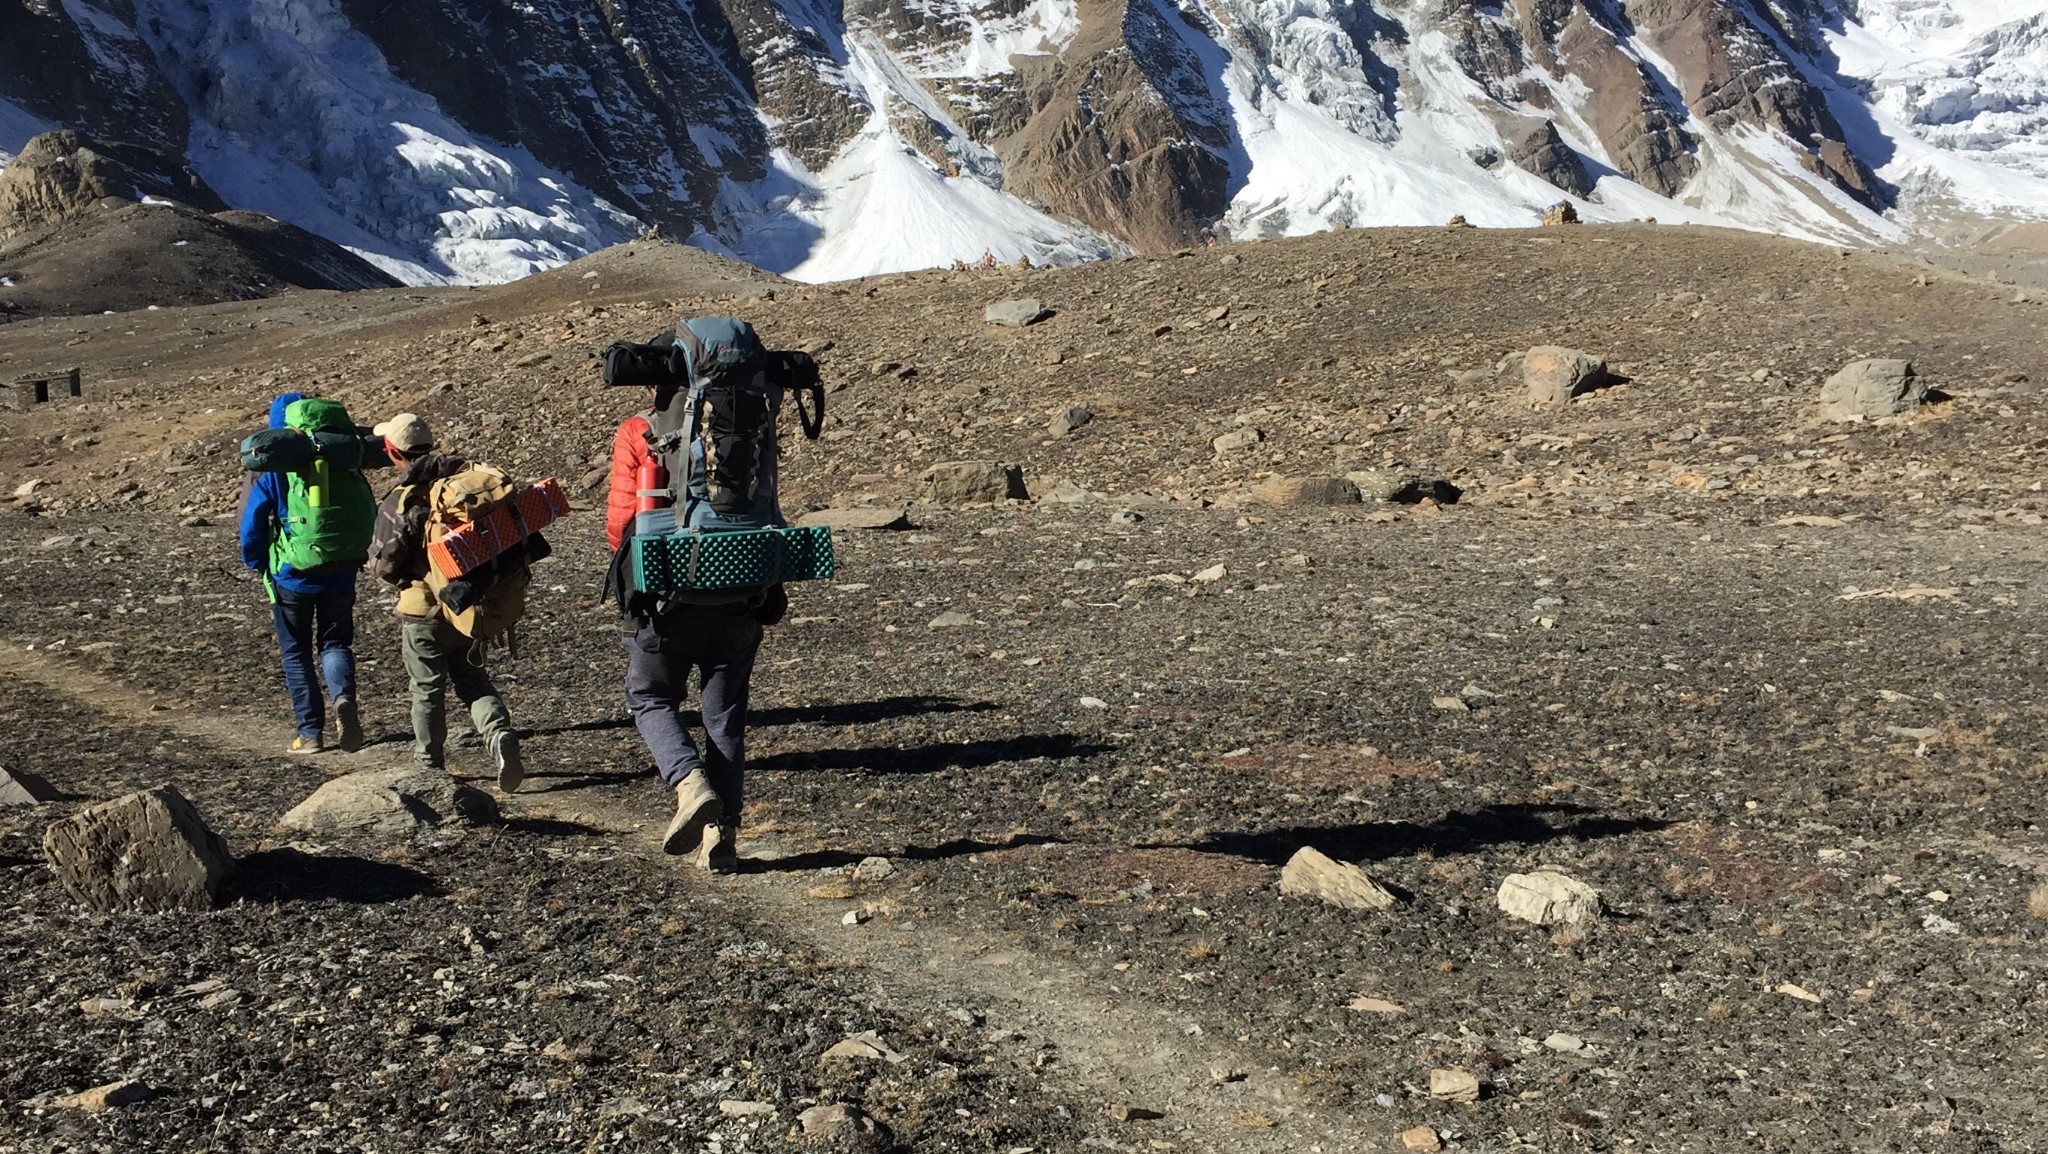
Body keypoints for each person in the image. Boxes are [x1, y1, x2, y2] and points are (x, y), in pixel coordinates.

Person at [607, 384, 764, 873]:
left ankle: (689, 784)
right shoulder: (747, 423)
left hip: (667, 598)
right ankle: (724, 834)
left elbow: (620, 522)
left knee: (650, 697)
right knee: (724, 718)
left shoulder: (640, 430)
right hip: (741, 593)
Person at [365, 413, 524, 792]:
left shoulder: (402, 500)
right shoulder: (461, 489)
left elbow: (385, 565)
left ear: (392, 453)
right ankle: (499, 734)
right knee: (473, 680)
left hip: (424, 612)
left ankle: (428, 764)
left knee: (426, 689)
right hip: (469, 605)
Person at [240, 392, 367, 754]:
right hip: (341, 569)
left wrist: (256, 562)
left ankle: (310, 733)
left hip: (292, 574)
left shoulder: (273, 468)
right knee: (335, 642)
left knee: (296, 651)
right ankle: (344, 701)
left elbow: (251, 524)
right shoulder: (341, 457)